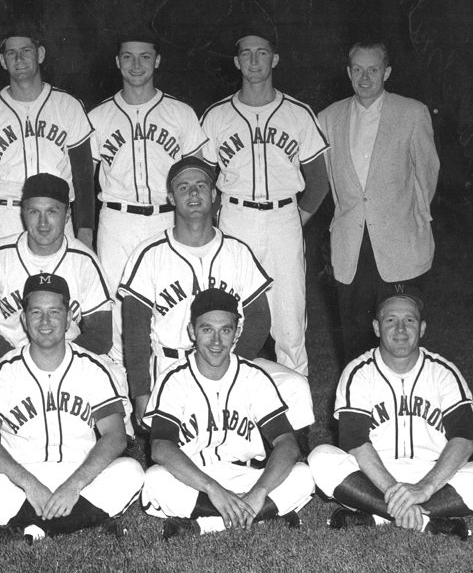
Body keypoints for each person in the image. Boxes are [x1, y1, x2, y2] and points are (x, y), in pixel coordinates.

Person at [118, 156, 313, 439]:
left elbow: (259, 319)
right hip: (173, 368)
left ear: (213, 195)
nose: (194, 193)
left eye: (201, 185)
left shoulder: (236, 251)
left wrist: (233, 368)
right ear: (171, 197)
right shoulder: (150, 254)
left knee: (295, 386)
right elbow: (135, 333)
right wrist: (140, 393)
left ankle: (293, 466)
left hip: (231, 360)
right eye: (183, 187)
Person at [0, 273, 143, 545]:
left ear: (69, 317)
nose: (45, 322)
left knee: (131, 471)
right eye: (36, 312)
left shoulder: (93, 367)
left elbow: (115, 436)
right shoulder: (2, 370)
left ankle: (30, 526)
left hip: (80, 473)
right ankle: (83, 520)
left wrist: (73, 486)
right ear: (23, 319)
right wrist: (31, 486)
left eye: (54, 312)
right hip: (21, 477)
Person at [308, 292, 473, 540]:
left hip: (434, 477)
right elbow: (354, 444)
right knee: (320, 458)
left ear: (421, 328)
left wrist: (423, 488)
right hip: (373, 478)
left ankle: (378, 516)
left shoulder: (443, 372)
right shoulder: (358, 372)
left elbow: (465, 440)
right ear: (377, 328)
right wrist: (393, 491)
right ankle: (425, 520)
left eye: (409, 320)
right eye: (390, 320)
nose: (400, 328)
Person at [199, 30, 330, 376]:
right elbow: (203, 178)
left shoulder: (299, 113)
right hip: (235, 216)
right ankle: (231, 399)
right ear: (236, 61)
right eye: (246, 53)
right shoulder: (216, 116)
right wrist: (215, 220)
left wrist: (294, 218)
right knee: (232, 312)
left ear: (274, 59)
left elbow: (318, 180)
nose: (254, 61)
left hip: (283, 215)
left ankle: (297, 413)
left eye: (262, 53)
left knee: (289, 319)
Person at [140, 289, 314, 539]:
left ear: (238, 332)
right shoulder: (174, 379)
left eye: (225, 330)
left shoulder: (254, 377)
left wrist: (260, 490)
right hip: (195, 478)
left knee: (303, 475)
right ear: (192, 331)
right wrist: (213, 489)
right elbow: (160, 447)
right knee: (154, 480)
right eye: (207, 329)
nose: (216, 341)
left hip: (247, 477)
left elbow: (287, 443)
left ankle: (206, 525)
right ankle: (262, 514)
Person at [87, 35, 207, 364]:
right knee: (117, 300)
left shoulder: (180, 113)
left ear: (157, 60)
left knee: (171, 299)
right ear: (117, 62)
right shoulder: (98, 117)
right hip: (117, 218)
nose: (136, 65)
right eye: (128, 57)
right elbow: (85, 178)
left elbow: (200, 174)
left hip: (166, 216)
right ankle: (122, 389)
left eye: (144, 57)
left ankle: (173, 380)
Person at [317, 42, 440, 361]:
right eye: (357, 70)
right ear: (348, 72)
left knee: (401, 337)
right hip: (351, 247)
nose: (365, 77)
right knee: (355, 338)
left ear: (386, 72)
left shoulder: (412, 112)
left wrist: (410, 216)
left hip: (399, 245)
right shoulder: (328, 117)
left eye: (373, 70)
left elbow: (427, 174)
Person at [0, 31, 95, 263]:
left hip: (56, 214)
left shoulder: (68, 106)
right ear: (3, 61)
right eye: (11, 53)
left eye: (26, 51)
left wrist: (85, 230)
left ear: (40, 54)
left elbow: (84, 177)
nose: (19, 59)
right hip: (6, 216)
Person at [0, 173, 112, 362]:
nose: (43, 223)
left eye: (52, 211)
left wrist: (60, 361)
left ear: (67, 215)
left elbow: (101, 334)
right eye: (34, 212)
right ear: (23, 213)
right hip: (8, 359)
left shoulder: (85, 261)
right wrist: (17, 361)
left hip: (70, 360)